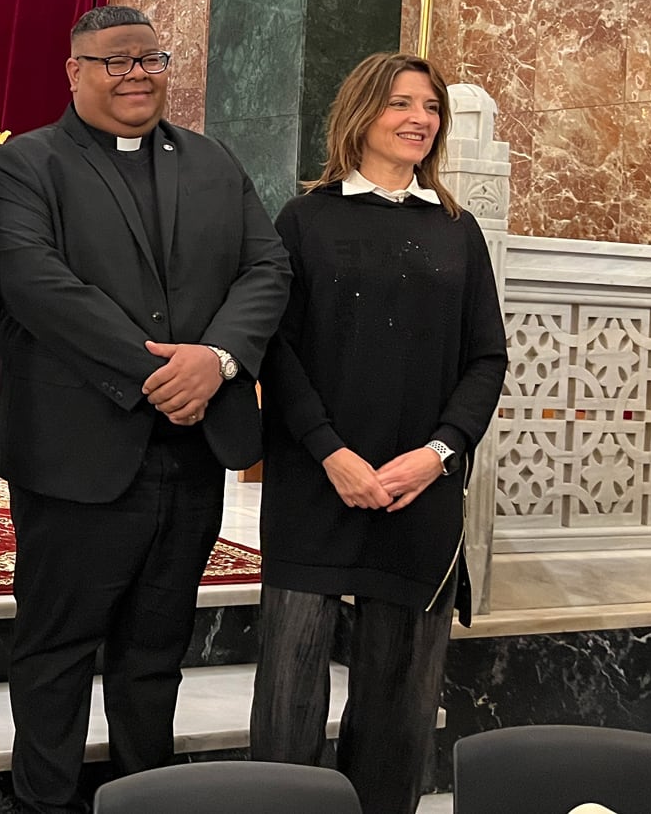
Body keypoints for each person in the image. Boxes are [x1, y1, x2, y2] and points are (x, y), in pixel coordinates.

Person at [0, 4, 289, 814]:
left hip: (190, 454)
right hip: (79, 449)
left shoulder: (214, 161)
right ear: (74, 71)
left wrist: (214, 361)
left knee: (156, 651)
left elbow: (267, 269)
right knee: (56, 650)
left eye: (149, 58)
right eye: (114, 61)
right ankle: (42, 805)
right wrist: (161, 372)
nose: (135, 75)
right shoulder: (24, 165)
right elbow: (37, 284)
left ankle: (144, 799)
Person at [250, 53, 508, 814]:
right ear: (360, 113)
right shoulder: (305, 218)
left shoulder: (456, 231)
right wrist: (331, 453)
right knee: (289, 702)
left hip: (417, 492)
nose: (418, 119)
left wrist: (435, 456)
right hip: (316, 482)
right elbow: (278, 348)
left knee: (399, 707)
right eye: (400, 103)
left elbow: (486, 357)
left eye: (429, 108)